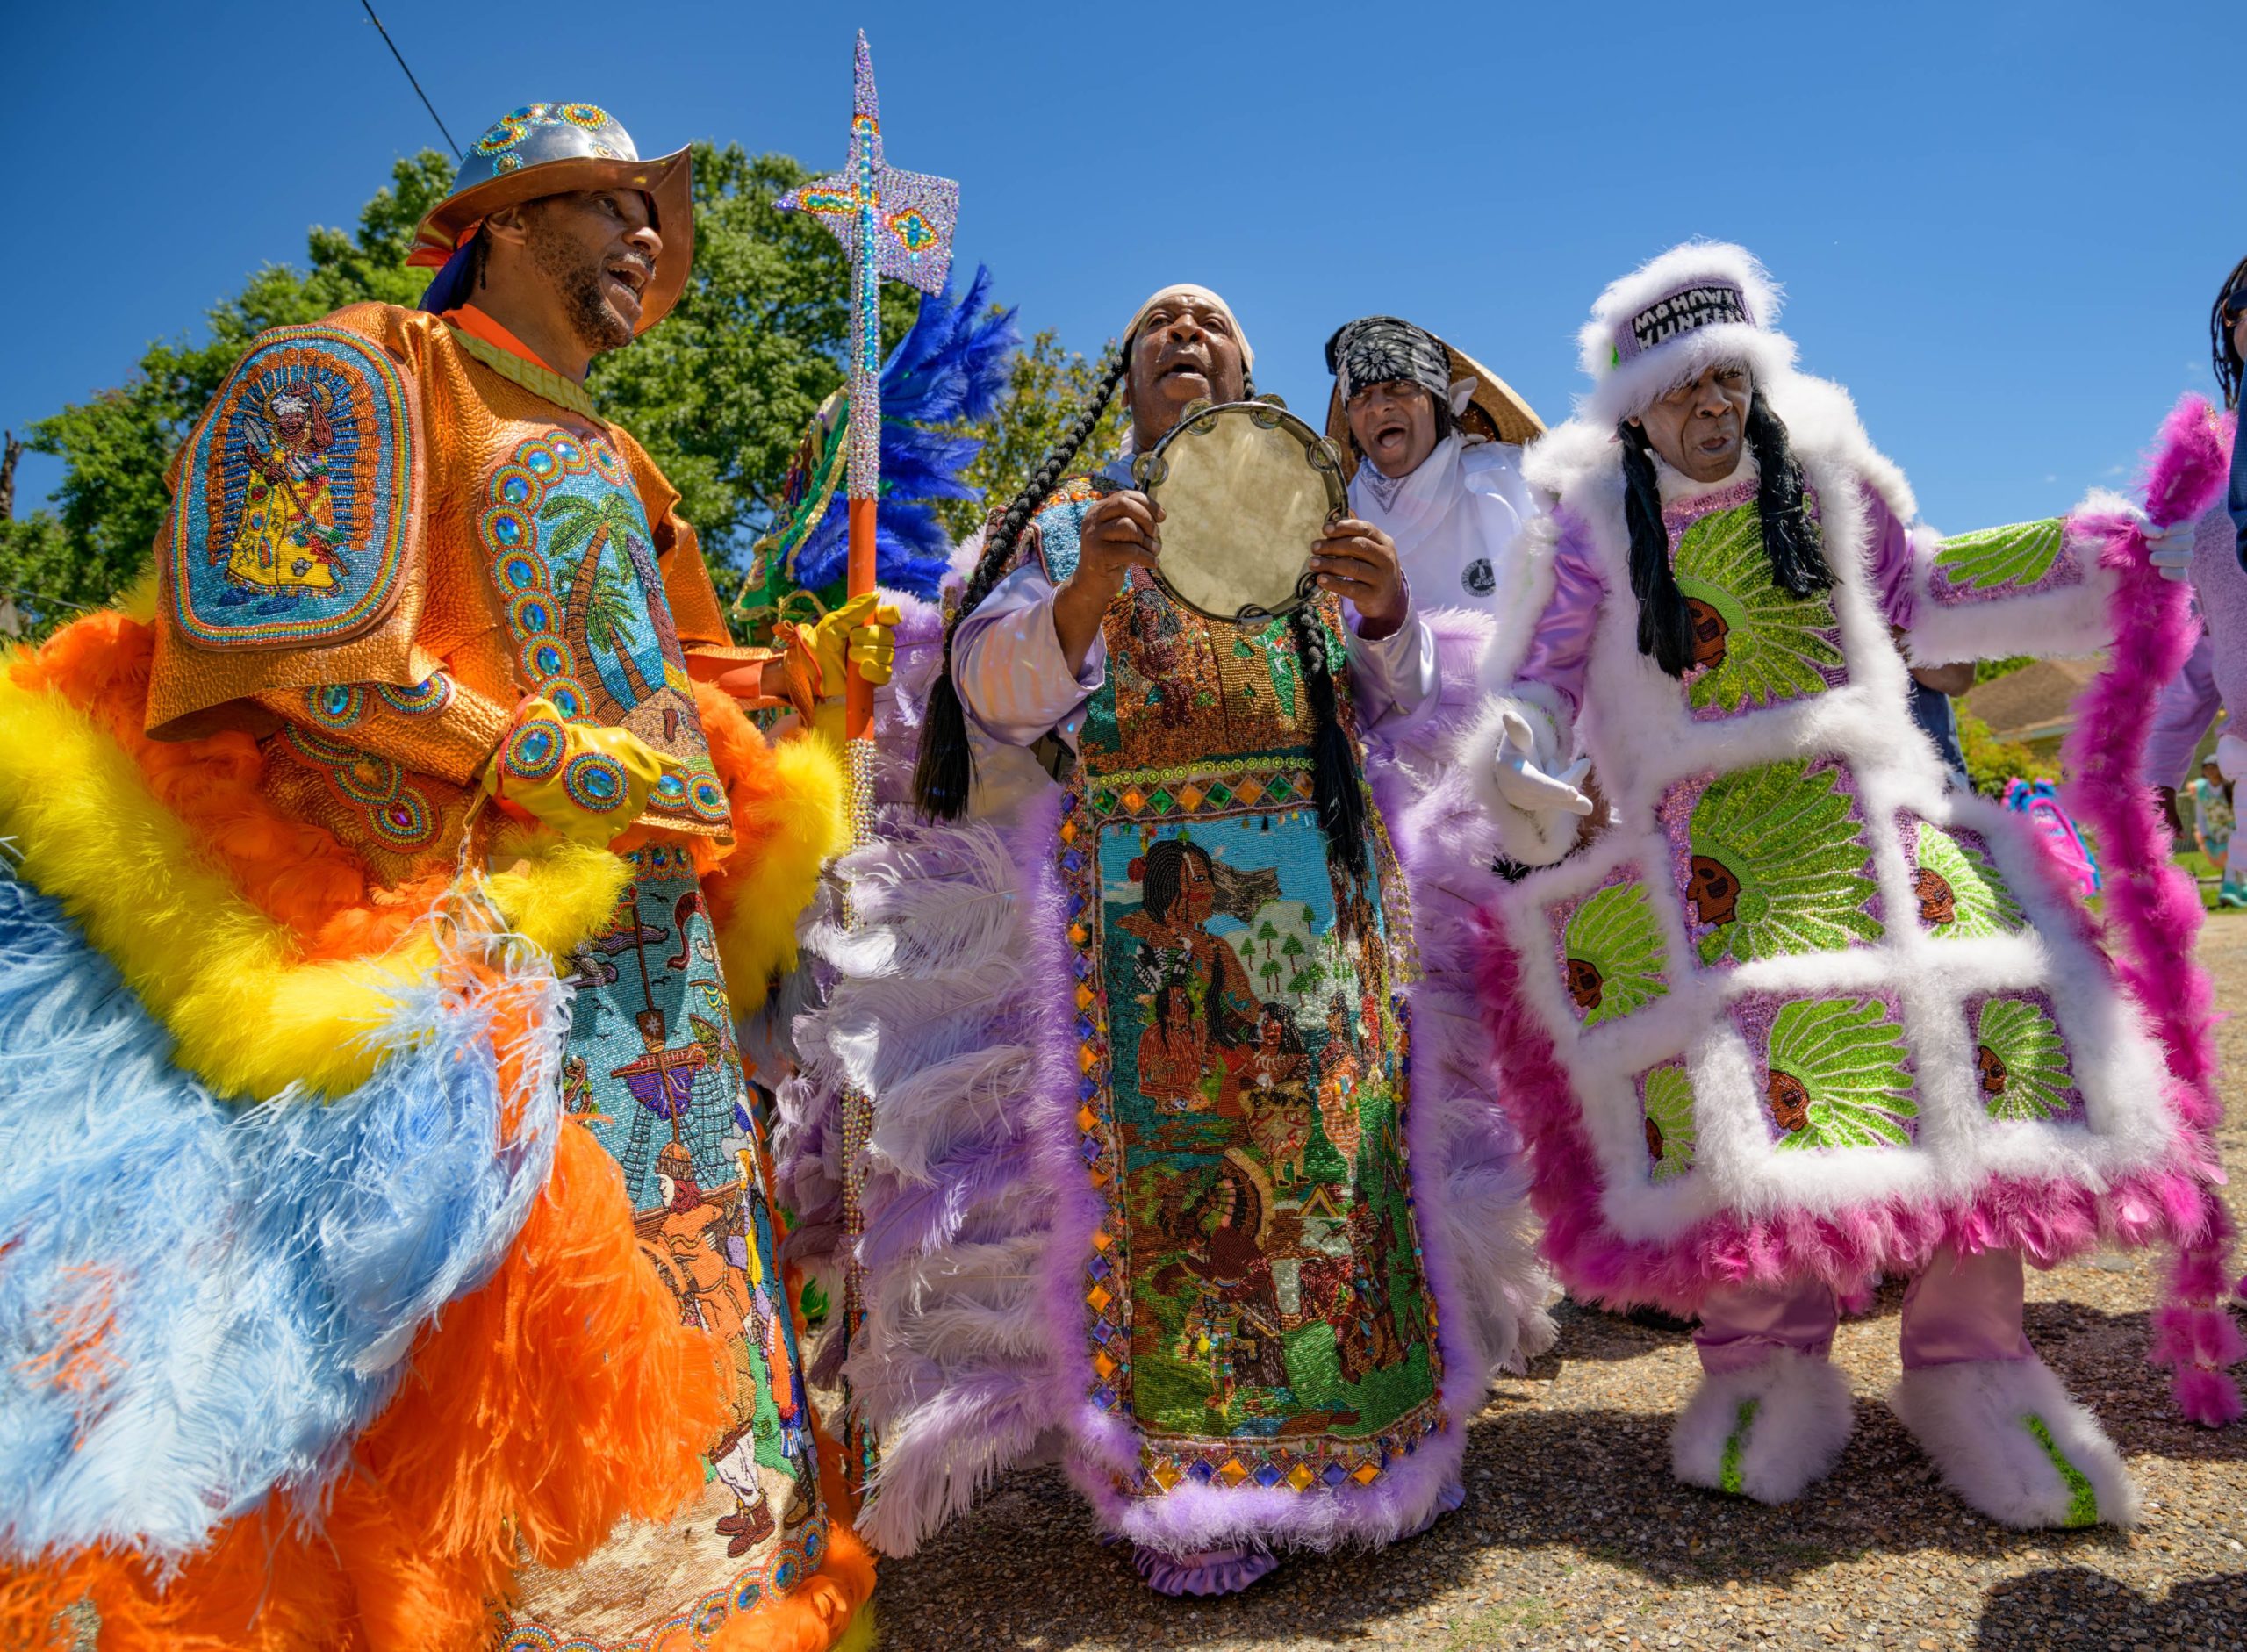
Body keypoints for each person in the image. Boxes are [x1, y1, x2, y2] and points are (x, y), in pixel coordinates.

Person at [0, 103, 883, 1651]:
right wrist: (530, 755)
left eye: (653, 218)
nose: (647, 240)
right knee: (502, 1331)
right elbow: (280, 635)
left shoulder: (618, 455)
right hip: (473, 948)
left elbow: (687, 678)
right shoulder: (366, 369)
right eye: (611, 208)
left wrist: (809, 673)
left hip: (659, 959)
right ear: (510, 221)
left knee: (692, 1289)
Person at [788, 282, 1552, 1598]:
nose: (1185, 334)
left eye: (1210, 324)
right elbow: (989, 693)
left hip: (1318, 904)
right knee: (1179, 1208)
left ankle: (1373, 1466)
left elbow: (1393, 699)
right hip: (1141, 916)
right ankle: (1196, 1497)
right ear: (1129, 376)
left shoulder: (1316, 509)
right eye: (1159, 326)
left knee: (1337, 1174)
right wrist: (1089, 586)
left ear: (1248, 374)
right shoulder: (1067, 524)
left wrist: (1386, 613)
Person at [1460, 241, 2226, 1530]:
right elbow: (1537, 668)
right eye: (1682, 384)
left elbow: (1921, 590)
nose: (1711, 402)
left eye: (1729, 376)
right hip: (1716, 851)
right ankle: (1763, 1362)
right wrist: (1518, 747)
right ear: (1637, 406)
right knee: (1751, 1100)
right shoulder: (1590, 522)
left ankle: (1974, 1362)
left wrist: (2095, 554)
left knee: (1979, 1060)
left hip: (1866, 820)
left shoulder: (1827, 478)